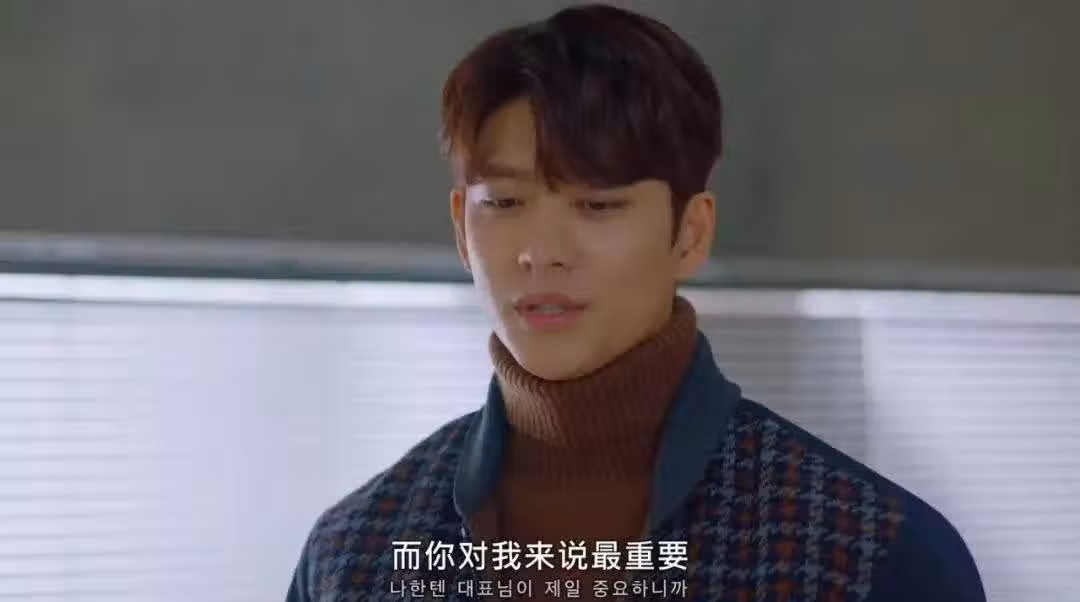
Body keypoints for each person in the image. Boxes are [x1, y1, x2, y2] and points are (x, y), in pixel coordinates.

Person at [286, 4, 985, 600]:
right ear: (460, 231)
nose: (541, 252)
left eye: (597, 205)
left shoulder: (864, 553)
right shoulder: (356, 555)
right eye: (504, 203)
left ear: (691, 232)